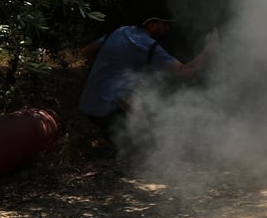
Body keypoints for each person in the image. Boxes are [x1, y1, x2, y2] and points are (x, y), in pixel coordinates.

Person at [78, 16, 218, 152]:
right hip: (107, 112)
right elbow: (185, 72)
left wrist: (109, 70)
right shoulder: (148, 46)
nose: (168, 28)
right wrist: (208, 51)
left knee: (138, 92)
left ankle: (112, 140)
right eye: (164, 24)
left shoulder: (121, 31)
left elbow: (86, 52)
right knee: (151, 128)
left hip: (88, 105)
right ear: (151, 25)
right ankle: (122, 147)